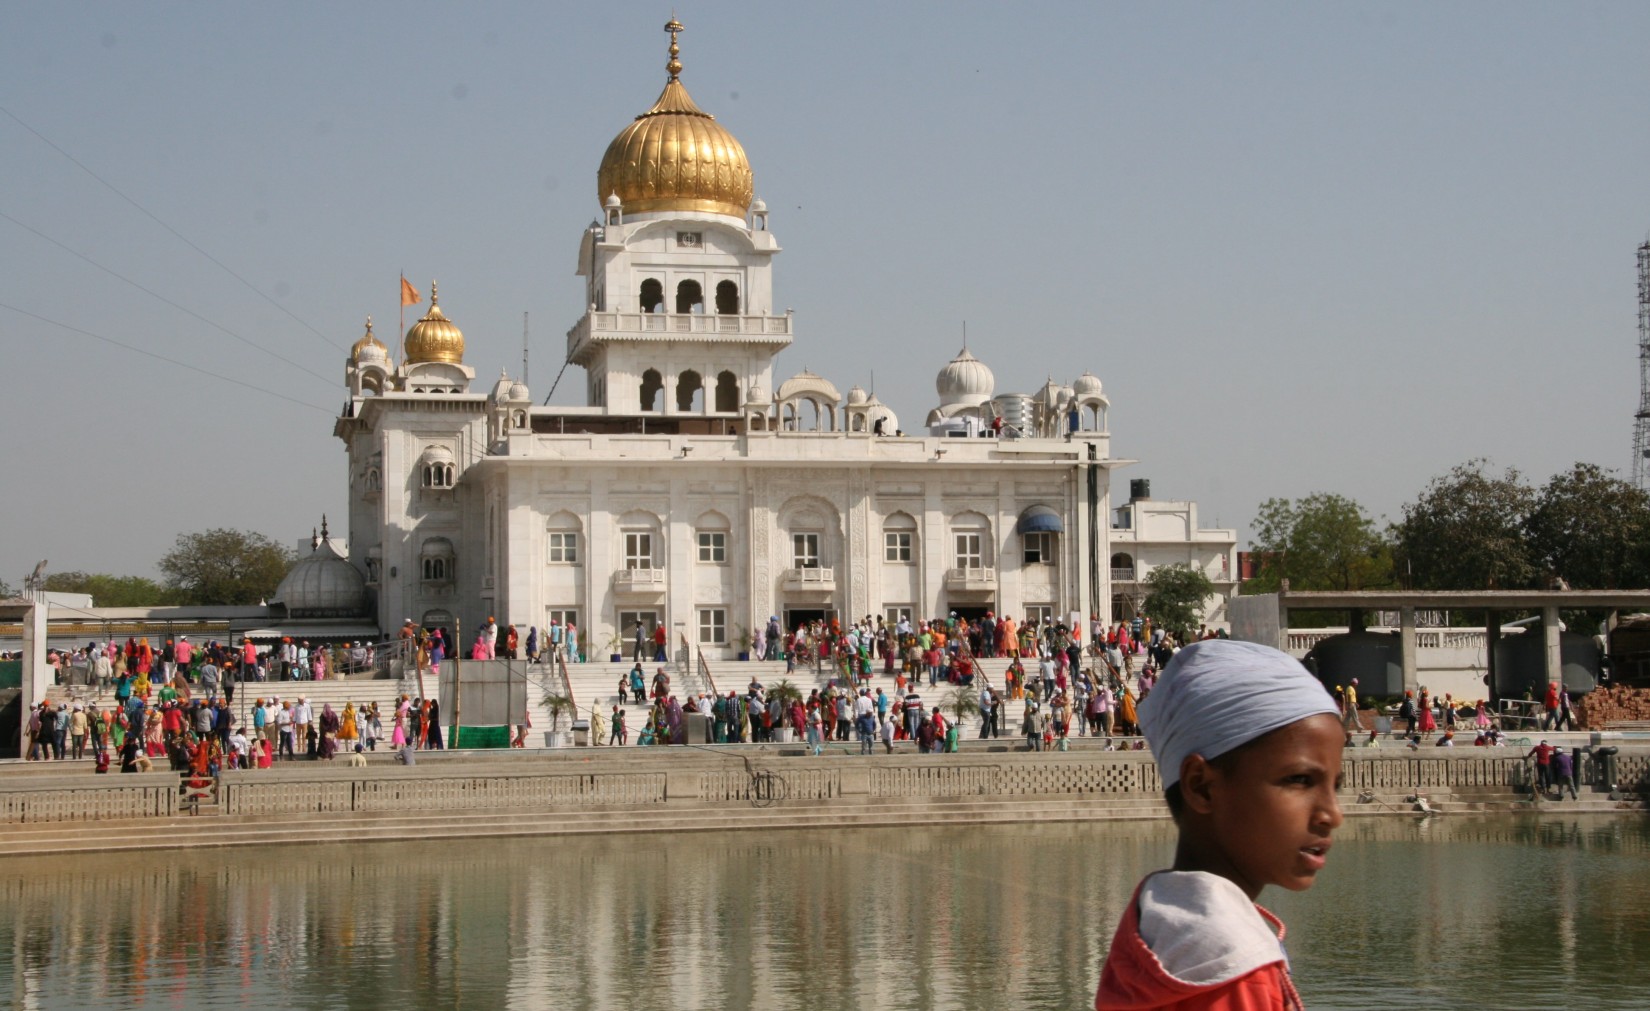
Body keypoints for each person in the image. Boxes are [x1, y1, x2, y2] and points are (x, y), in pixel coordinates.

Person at [1096, 639, 1342, 1009]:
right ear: (1202, 786)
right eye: (1299, 780)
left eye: (1335, 786)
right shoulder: (1231, 968)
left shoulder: (1155, 924)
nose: (1332, 814)